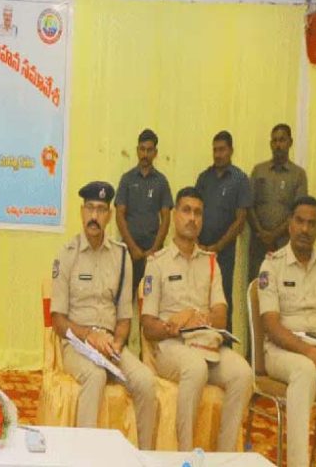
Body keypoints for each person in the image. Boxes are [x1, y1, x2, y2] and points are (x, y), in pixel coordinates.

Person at [141, 187, 252, 452]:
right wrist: (174, 326)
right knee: (195, 368)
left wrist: (191, 314)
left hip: (207, 345)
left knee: (243, 373)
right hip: (171, 347)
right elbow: (148, 326)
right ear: (175, 216)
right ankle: (186, 455)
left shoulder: (211, 262)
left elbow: (221, 317)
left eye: (198, 213)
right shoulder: (157, 263)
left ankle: (225, 456)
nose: (192, 218)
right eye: (187, 211)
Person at [51, 181, 157, 449]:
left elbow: (124, 318)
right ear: (81, 212)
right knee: (95, 376)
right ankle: (85, 457)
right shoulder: (67, 255)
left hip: (111, 344)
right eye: (89, 208)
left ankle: (144, 456)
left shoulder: (121, 256)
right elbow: (58, 321)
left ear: (109, 215)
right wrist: (89, 336)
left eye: (100, 209)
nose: (94, 216)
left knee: (145, 381)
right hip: (77, 344)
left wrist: (117, 344)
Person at [258, 196, 316, 467]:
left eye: (312, 224)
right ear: (289, 224)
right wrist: (311, 353)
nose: (305, 229)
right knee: (305, 370)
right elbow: (272, 326)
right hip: (282, 351)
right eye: (300, 221)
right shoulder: (271, 266)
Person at [195, 130, 252, 333]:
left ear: (231, 150)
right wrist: (199, 245)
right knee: (199, 299)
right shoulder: (204, 178)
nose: (218, 154)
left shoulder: (239, 179)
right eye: (215, 150)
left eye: (222, 150)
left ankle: (225, 343)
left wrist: (217, 247)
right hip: (200, 250)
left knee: (223, 300)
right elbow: (194, 210)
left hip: (224, 253)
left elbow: (240, 220)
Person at [115, 128, 173, 296]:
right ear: (137, 150)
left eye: (149, 150)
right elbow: (119, 215)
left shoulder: (161, 181)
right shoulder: (127, 179)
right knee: (125, 298)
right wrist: (133, 248)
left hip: (154, 252)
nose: (145, 154)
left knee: (153, 298)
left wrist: (154, 250)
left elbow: (166, 219)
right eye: (142, 149)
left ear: (155, 153)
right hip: (130, 250)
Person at [248, 123, 307, 281]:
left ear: (290, 142)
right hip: (258, 244)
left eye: (282, 140)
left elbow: (299, 212)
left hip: (285, 244)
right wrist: (262, 233)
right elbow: (249, 206)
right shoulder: (259, 170)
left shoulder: (298, 175)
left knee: (285, 287)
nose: (278, 145)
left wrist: (273, 235)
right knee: (257, 286)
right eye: (274, 140)